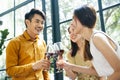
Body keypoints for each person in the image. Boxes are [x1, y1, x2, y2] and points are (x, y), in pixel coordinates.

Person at [57, 4, 120, 80]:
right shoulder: (91, 41)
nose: (71, 23)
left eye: (74, 19)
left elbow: (119, 70)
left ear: (83, 19)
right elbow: (95, 71)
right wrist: (69, 66)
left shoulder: (97, 38)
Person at [6, 8, 50, 80]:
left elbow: (44, 70)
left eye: (42, 23)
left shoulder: (42, 43)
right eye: (37, 21)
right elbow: (10, 71)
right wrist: (33, 66)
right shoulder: (14, 43)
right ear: (27, 22)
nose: (40, 25)